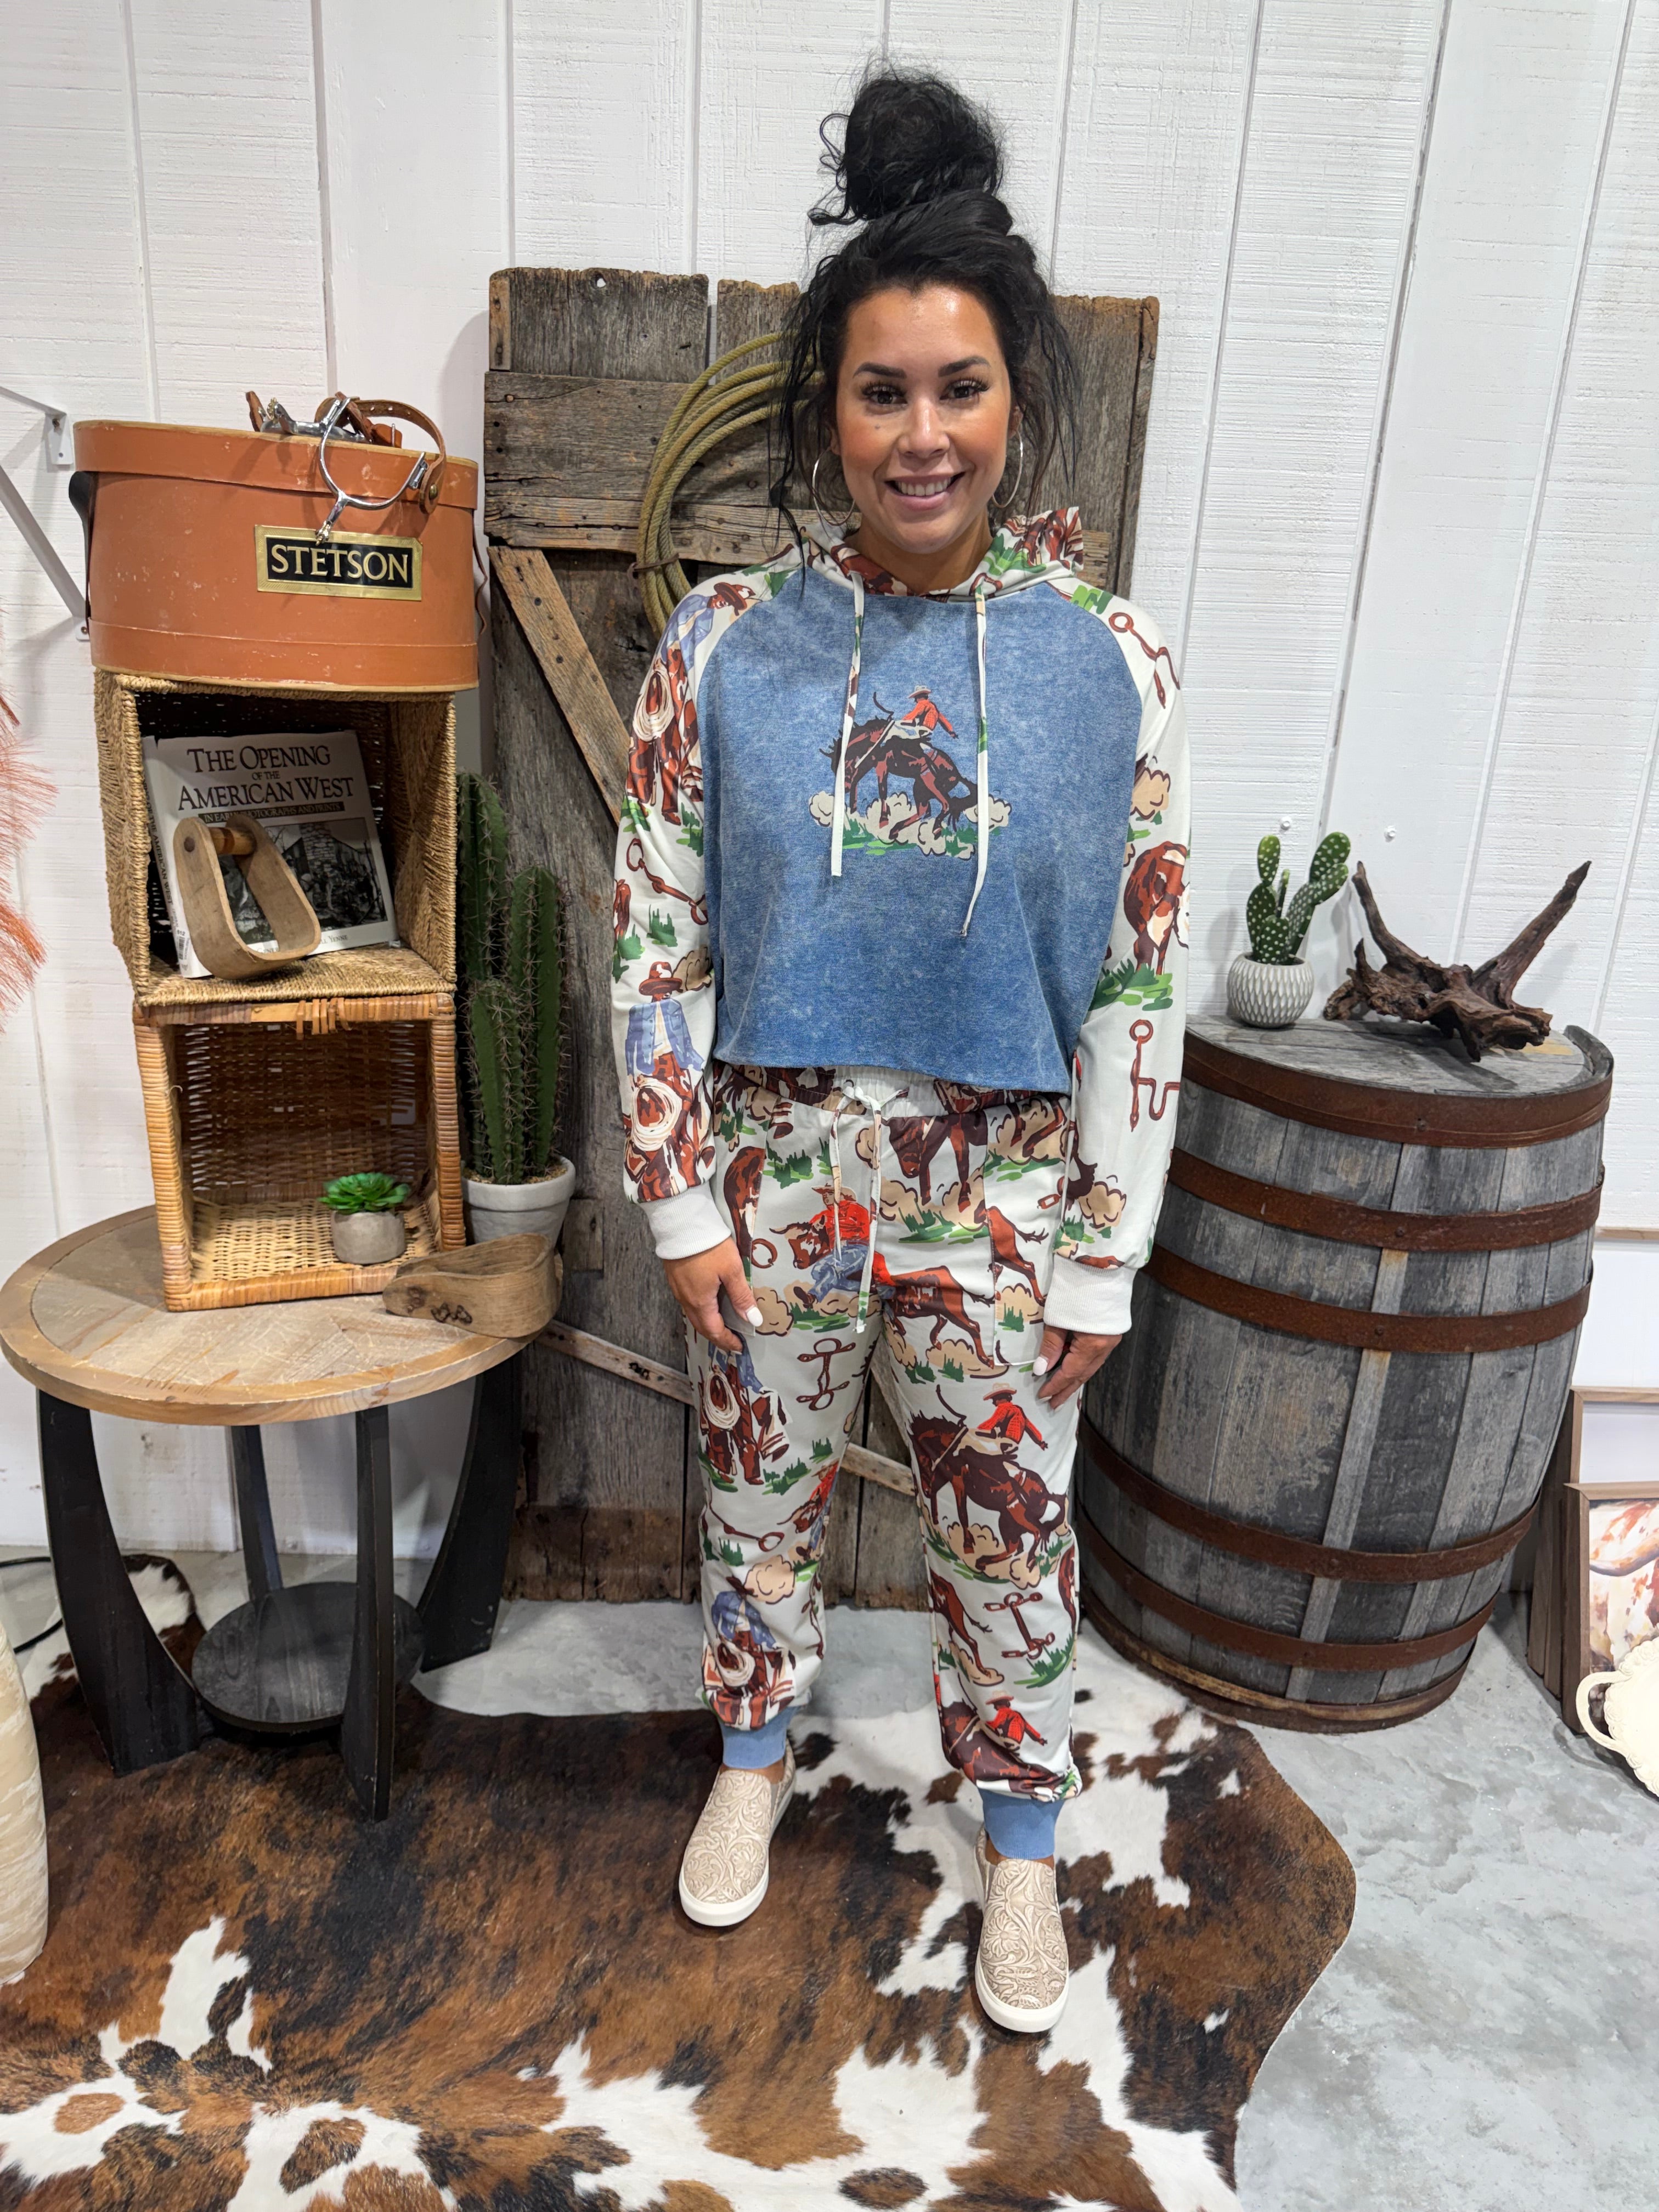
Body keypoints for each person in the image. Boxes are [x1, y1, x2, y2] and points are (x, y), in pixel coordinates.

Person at [611, 66, 1189, 2034]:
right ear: (828, 408)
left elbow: (1139, 977)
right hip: (772, 1174)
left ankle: (1020, 1840)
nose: (921, 433)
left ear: (1016, 396)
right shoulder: (723, 646)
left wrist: (1104, 1247)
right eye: (881, 392)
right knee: (755, 1494)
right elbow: (657, 931)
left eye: (959, 388)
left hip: (1004, 1190)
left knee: (1010, 1541)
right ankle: (753, 1753)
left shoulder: (1110, 663)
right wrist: (680, 1195)